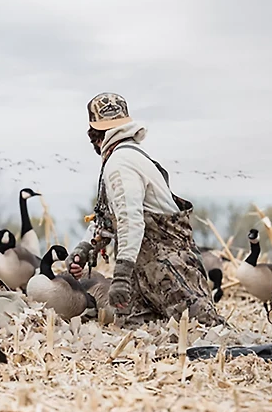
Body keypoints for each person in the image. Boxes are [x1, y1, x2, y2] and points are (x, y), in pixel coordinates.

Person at [66, 92, 226, 328]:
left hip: (168, 275)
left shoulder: (120, 164)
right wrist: (85, 248)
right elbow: (110, 219)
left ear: (95, 135)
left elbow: (131, 220)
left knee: (207, 336)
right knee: (146, 337)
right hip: (147, 275)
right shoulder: (130, 157)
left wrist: (120, 277)